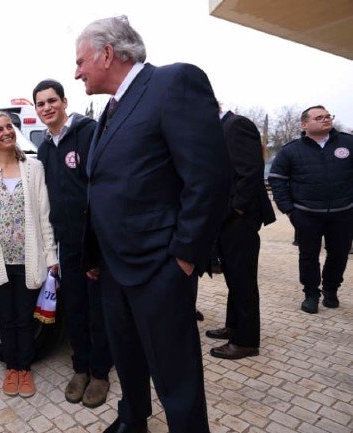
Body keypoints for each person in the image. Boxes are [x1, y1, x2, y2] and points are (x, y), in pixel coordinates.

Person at [75, 16, 230, 433]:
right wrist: (95, 254)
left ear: (107, 54)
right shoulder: (110, 109)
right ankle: (134, 418)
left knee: (175, 372)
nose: (77, 72)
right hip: (112, 267)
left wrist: (183, 257)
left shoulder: (174, 83)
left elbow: (208, 178)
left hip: (159, 267)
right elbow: (104, 186)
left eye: (81, 61)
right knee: (126, 356)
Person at [33, 79, 112, 408]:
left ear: (65, 102)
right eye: (40, 104)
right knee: (75, 308)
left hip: (94, 242)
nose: (47, 107)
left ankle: (100, 373)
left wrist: (97, 246)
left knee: (98, 310)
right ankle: (80, 367)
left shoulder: (88, 133)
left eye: (52, 100)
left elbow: (102, 187)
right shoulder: (43, 149)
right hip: (67, 244)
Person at [0, 113, 58, 399]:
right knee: (6, 317)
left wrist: (50, 255)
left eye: (9, 127)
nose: (6, 132)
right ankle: (12, 368)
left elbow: (44, 215)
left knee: (24, 317)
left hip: (28, 257)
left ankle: (25, 369)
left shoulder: (34, 168)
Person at [206, 109, 276, 360]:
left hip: (240, 219)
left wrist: (235, 208)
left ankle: (246, 341)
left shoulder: (236, 125)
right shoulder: (221, 129)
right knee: (234, 278)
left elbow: (250, 173)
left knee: (243, 280)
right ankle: (233, 326)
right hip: (229, 218)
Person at [268, 105, 352, 314]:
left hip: (343, 213)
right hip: (306, 215)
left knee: (339, 254)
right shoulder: (291, 150)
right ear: (305, 124)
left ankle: (331, 290)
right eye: (319, 117)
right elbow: (277, 181)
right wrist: (289, 210)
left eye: (328, 116)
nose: (326, 120)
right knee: (308, 256)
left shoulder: (348, 143)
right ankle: (311, 294)